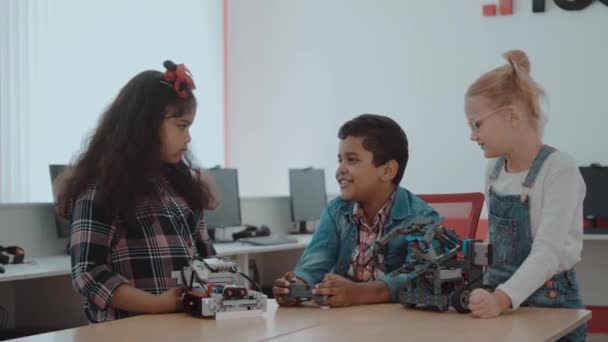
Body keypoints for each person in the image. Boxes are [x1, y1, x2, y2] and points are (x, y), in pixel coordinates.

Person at [56, 60, 217, 323]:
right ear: (146, 125)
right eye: (181, 126)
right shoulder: (101, 190)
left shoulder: (182, 189)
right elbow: (88, 273)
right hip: (128, 329)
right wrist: (156, 305)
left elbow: (206, 258)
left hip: (183, 326)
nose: (188, 138)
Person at [464, 50, 586, 341]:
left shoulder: (559, 168)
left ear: (511, 115)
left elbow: (547, 253)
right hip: (501, 297)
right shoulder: (494, 169)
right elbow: (494, 244)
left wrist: (501, 299)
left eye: (476, 124)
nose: (472, 135)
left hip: (551, 302)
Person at [272, 114, 439, 307]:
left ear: (387, 171)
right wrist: (295, 285)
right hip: (345, 323)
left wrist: (358, 293)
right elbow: (315, 262)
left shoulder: (422, 218)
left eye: (351, 160)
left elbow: (420, 279)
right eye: (339, 160)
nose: (339, 170)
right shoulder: (336, 212)